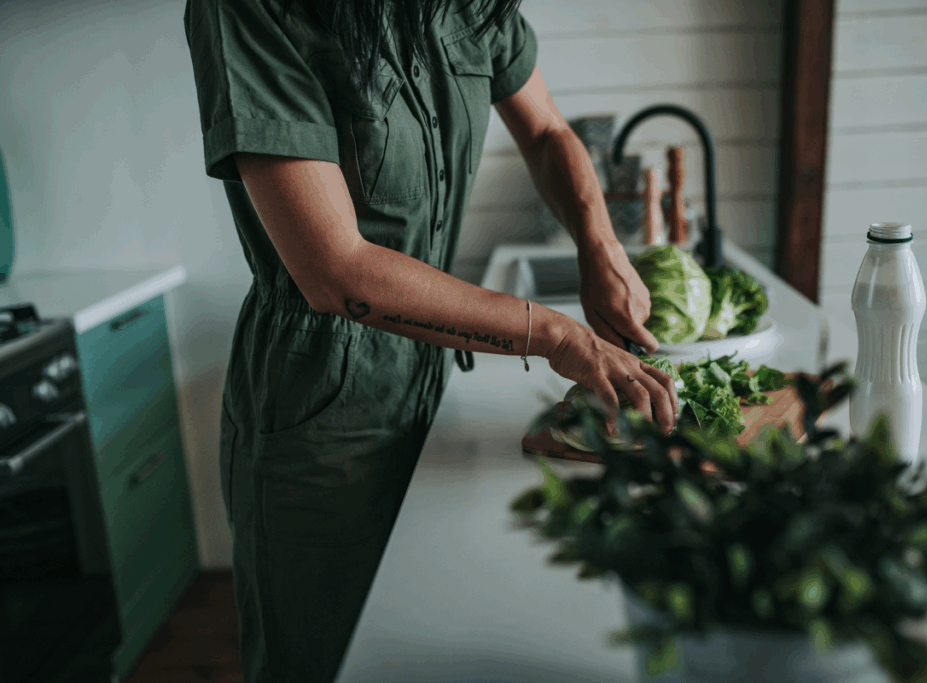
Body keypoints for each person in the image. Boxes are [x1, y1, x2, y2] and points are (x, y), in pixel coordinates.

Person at [183, 0, 679, 680]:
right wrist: (556, 334)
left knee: (415, 641)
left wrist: (600, 243)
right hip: (318, 412)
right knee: (316, 658)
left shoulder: (470, 7)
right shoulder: (250, 9)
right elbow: (336, 272)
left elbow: (546, 131)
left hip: (432, 382)